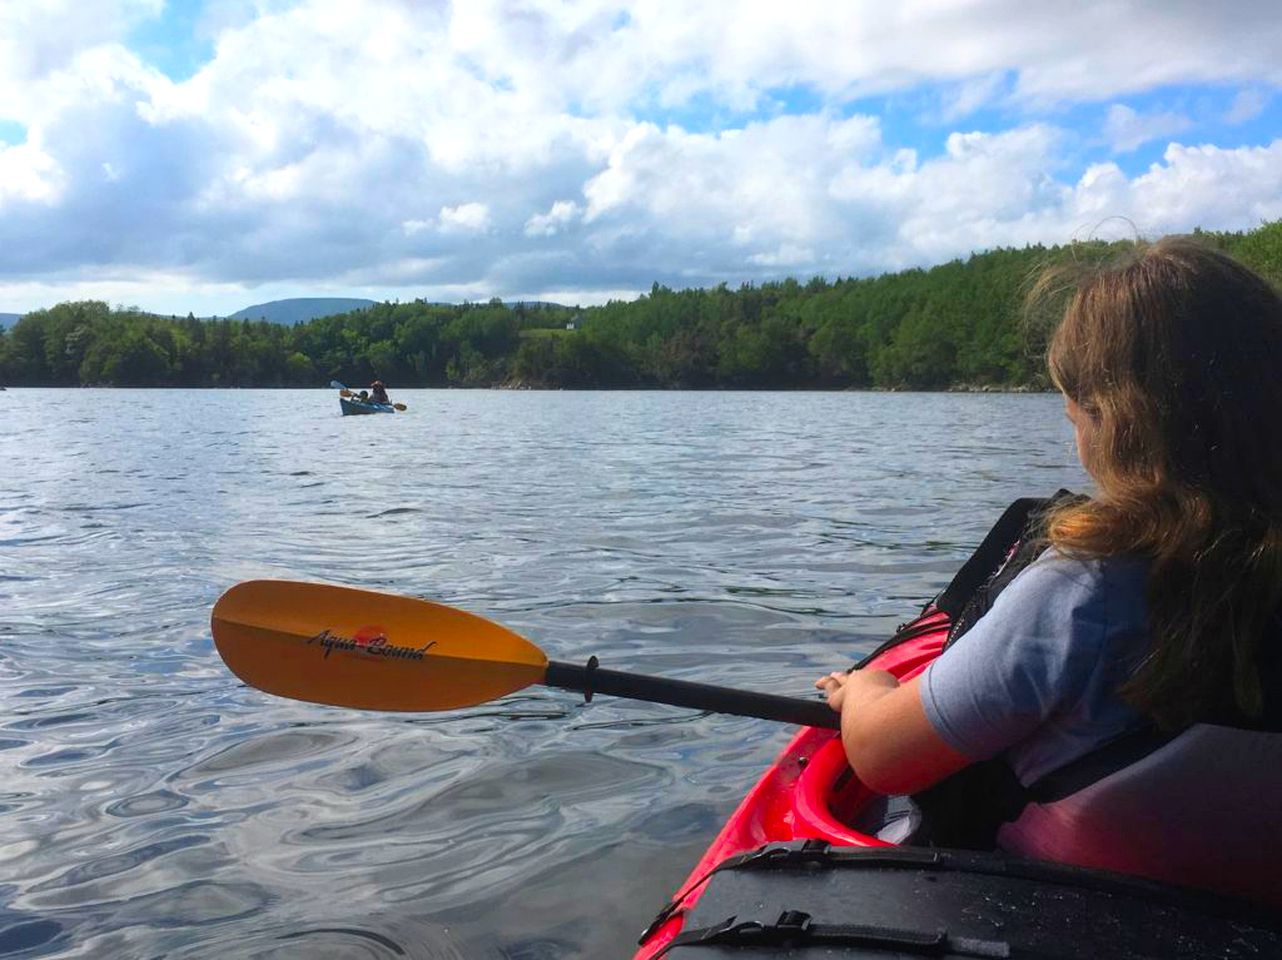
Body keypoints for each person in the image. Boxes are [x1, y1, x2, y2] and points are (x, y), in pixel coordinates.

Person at [816, 237, 1282, 905]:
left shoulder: (1084, 591)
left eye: (1074, 415)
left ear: (1115, 423)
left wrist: (867, 687)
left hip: (1065, 905)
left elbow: (882, 757)